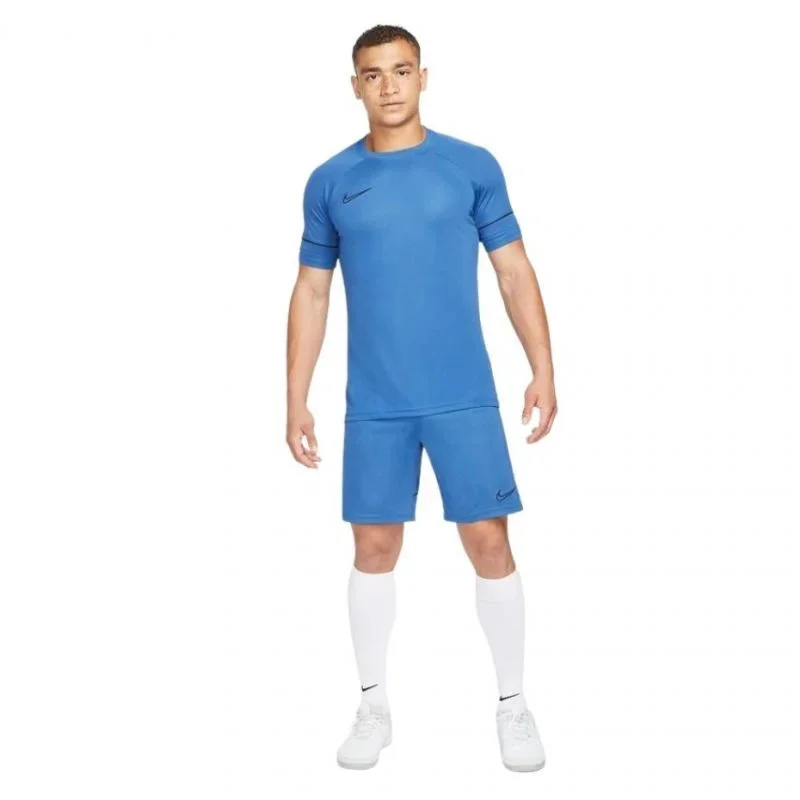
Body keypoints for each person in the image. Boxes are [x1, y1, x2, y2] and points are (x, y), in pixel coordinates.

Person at [285, 24, 557, 772]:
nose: (389, 86)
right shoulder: (331, 180)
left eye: (401, 70)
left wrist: (543, 367)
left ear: (423, 77)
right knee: (372, 549)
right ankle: (373, 705)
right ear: (356, 86)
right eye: (374, 74)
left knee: (490, 542)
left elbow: (514, 271)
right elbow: (312, 291)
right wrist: (295, 397)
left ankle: (513, 704)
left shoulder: (470, 166)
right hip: (376, 404)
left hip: (463, 396)